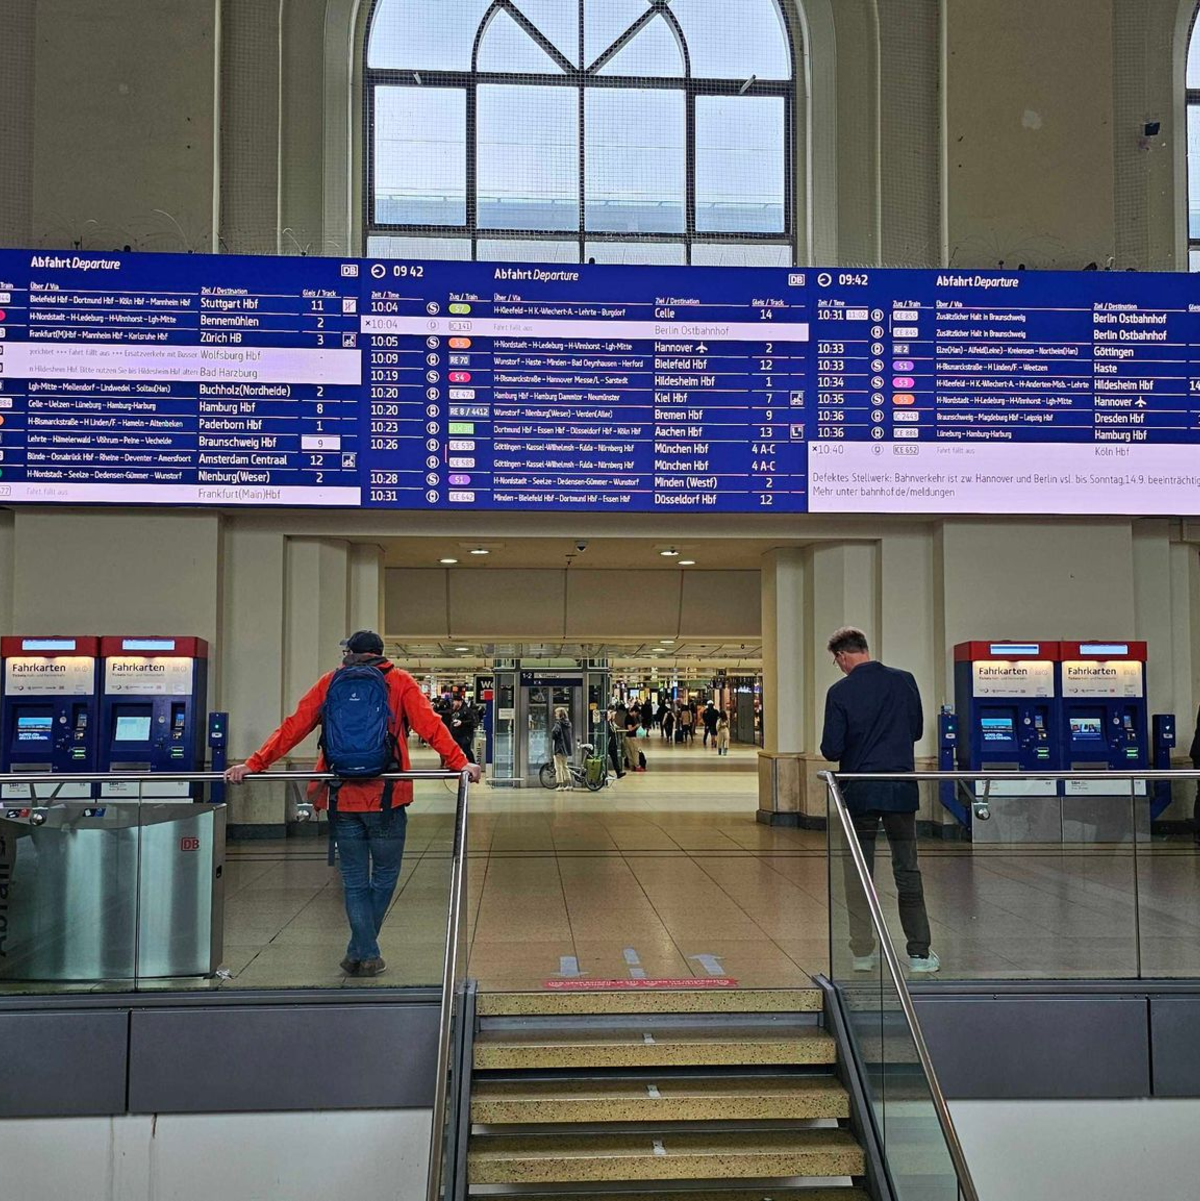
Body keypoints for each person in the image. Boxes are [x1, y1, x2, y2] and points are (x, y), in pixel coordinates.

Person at [225, 630, 481, 978]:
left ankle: (361, 951)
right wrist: (459, 762)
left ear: (350, 653)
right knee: (386, 875)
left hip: (341, 797)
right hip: (388, 797)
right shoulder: (400, 682)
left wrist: (254, 763)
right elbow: (430, 726)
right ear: (380, 653)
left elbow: (293, 727)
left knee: (355, 880)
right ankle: (366, 950)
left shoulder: (330, 683)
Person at [819, 625, 938, 974]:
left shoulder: (839, 692)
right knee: (907, 870)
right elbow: (915, 731)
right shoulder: (905, 681)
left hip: (858, 792)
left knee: (858, 873)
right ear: (864, 649)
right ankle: (919, 953)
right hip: (900, 790)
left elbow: (831, 748)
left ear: (842, 656)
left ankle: (862, 952)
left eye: (837, 661)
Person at [442, 695, 477, 763]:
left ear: (459, 701)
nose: (453, 703)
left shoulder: (466, 710)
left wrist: (462, 723)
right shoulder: (454, 709)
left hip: (465, 735)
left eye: (455, 701)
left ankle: (472, 763)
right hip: (456, 735)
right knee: (454, 750)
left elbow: (472, 721)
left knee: (466, 749)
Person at [551, 706, 574, 791]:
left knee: (558, 768)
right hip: (566, 749)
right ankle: (569, 785)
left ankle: (560, 786)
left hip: (559, 748)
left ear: (560, 714)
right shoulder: (568, 723)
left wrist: (553, 735)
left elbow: (554, 732)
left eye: (556, 713)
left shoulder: (558, 723)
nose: (555, 715)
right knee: (565, 766)